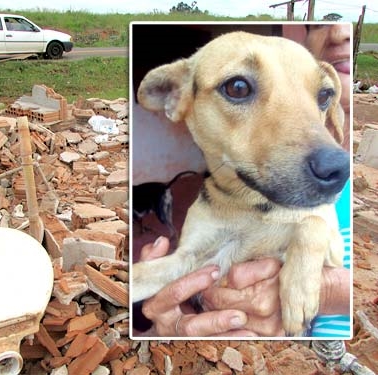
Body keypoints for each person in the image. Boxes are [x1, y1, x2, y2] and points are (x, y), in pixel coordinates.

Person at [134, 24, 351, 338]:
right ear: (178, 98)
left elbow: (328, 245)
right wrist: (155, 320)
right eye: (239, 88)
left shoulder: (331, 190)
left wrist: (318, 259)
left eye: (320, 96)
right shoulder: (206, 206)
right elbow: (184, 266)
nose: (330, 162)